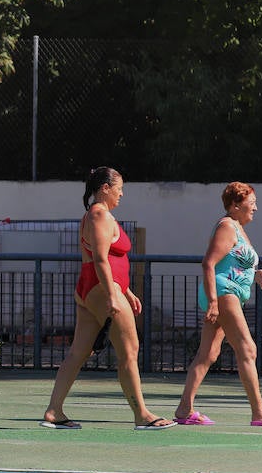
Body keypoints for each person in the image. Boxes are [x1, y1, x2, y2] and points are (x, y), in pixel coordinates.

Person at [43, 167, 173, 430]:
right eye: (119, 188)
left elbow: (109, 260)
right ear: (105, 187)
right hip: (101, 289)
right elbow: (101, 259)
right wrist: (113, 295)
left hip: (94, 289)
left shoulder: (97, 214)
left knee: (78, 352)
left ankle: (54, 410)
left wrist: (126, 291)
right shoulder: (100, 214)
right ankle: (142, 415)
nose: (122, 194)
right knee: (130, 350)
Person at [174, 183, 262, 427]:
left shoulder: (237, 227)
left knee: (208, 354)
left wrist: (255, 274)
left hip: (228, 293)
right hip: (223, 294)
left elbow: (234, 260)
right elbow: (209, 263)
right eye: (252, 203)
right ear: (235, 205)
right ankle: (260, 412)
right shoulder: (227, 226)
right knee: (247, 349)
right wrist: (213, 302)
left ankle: (184, 409)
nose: (256, 208)